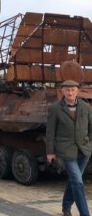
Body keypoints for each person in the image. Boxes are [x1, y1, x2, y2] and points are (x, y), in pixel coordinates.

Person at [46, 80, 92, 216]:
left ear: (77, 91)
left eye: (72, 90)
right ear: (62, 92)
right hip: (66, 150)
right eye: (67, 90)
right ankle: (85, 213)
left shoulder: (85, 107)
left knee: (74, 179)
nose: (70, 93)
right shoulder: (55, 108)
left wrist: (90, 144)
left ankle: (66, 207)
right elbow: (50, 132)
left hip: (84, 150)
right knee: (78, 182)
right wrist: (50, 152)